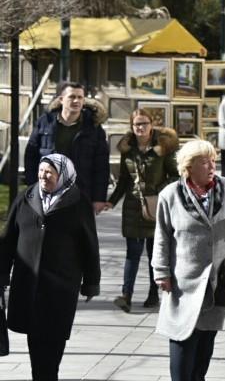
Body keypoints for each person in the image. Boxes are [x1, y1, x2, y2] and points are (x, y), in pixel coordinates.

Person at [152, 140, 225, 381]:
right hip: (183, 282)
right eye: (204, 162)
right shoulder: (170, 195)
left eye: (213, 160)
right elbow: (162, 237)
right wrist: (161, 272)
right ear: (188, 167)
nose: (211, 166)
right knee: (182, 343)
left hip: (218, 280)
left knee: (205, 344)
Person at [0, 154, 101, 381]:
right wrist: (2, 274)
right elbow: (7, 241)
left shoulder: (78, 202)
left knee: (53, 346)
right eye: (41, 170)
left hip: (61, 287)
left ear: (63, 175)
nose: (44, 176)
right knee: (36, 343)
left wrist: (91, 282)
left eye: (50, 172)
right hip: (28, 285)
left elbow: (90, 246)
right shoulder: (25, 197)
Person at [107, 110, 180, 312]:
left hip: (156, 206)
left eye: (144, 124)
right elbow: (123, 180)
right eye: (136, 124)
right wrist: (111, 202)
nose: (140, 128)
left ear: (151, 125)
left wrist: (158, 191)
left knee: (154, 253)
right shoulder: (127, 150)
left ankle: (152, 294)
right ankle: (126, 295)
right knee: (133, 252)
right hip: (133, 206)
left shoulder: (163, 148)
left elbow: (176, 176)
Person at [24, 82, 110, 214]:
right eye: (72, 97)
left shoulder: (93, 127)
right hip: (48, 193)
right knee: (49, 233)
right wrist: (32, 189)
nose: (76, 101)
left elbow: (101, 166)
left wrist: (99, 198)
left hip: (81, 194)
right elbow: (31, 157)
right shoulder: (45, 122)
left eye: (80, 97)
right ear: (61, 99)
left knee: (78, 234)